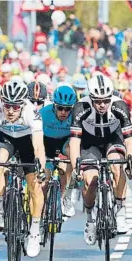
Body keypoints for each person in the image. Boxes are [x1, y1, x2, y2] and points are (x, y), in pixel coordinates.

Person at [70, 74, 132, 246]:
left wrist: (131, 163)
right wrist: (76, 167)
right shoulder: (80, 107)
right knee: (90, 179)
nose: (102, 105)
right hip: (90, 143)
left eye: (106, 101)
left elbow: (129, 139)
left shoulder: (120, 106)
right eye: (98, 101)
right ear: (91, 98)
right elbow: (75, 141)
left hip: (113, 140)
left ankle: (120, 211)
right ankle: (90, 218)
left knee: (117, 167)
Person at [0, 80, 46, 257]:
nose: (10, 111)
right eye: (7, 106)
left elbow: (38, 145)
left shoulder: (32, 112)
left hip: (26, 143)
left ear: (23, 105)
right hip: (5, 140)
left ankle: (35, 230)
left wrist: (42, 168)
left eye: (15, 107)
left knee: (35, 185)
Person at [40, 84, 77, 217]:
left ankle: (66, 196)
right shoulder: (44, 113)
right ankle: (41, 210)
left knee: (70, 158)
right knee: (45, 181)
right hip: (46, 143)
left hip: (65, 142)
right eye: (60, 108)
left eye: (67, 109)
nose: (63, 112)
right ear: (54, 105)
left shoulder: (76, 114)